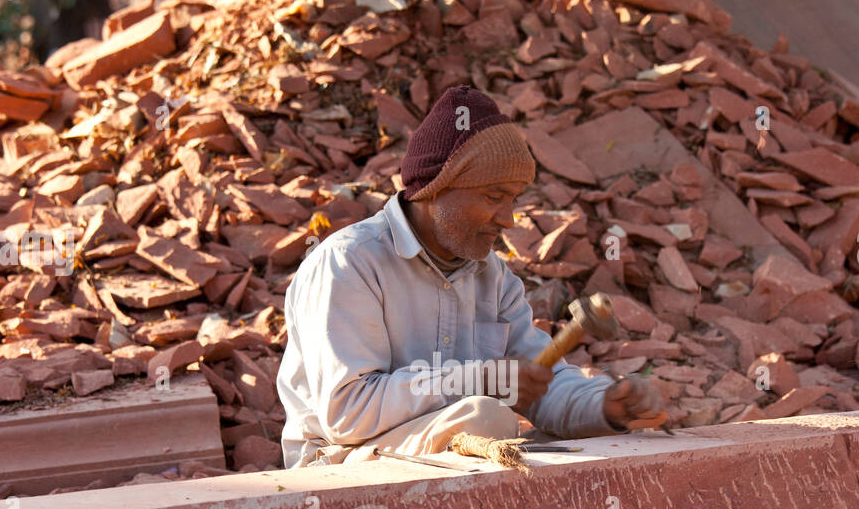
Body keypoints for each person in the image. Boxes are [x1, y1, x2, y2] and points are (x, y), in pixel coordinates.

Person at [277, 85, 666, 469]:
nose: (508, 218)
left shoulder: (492, 277)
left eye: (513, 199)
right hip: (339, 461)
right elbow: (348, 413)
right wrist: (480, 380)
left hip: (437, 449)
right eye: (494, 197)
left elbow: (541, 386)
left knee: (582, 443)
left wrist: (603, 407)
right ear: (436, 188)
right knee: (487, 421)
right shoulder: (349, 263)